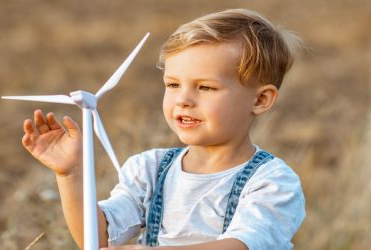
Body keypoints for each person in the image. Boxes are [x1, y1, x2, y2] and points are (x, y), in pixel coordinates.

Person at [20, 8, 305, 250]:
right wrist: (70, 174)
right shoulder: (150, 169)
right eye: (172, 85)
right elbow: (98, 238)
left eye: (205, 87)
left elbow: (239, 245)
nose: (183, 100)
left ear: (260, 99)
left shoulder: (272, 182)